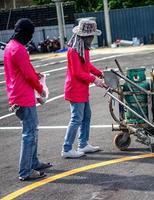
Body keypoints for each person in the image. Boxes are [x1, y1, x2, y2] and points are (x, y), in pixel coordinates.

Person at [4, 18, 52, 181]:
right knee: (29, 134)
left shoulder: (11, 46)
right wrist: (41, 90)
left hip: (16, 95)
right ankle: (25, 171)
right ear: (25, 34)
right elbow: (28, 75)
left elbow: (25, 69)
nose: (31, 38)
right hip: (23, 97)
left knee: (32, 131)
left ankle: (34, 162)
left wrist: (35, 74)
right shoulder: (19, 50)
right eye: (30, 34)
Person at [61, 19, 106, 158]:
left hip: (82, 89)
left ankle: (83, 144)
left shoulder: (83, 48)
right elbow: (78, 73)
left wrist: (100, 73)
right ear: (84, 36)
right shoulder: (74, 50)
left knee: (86, 116)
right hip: (75, 89)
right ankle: (67, 148)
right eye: (91, 36)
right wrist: (95, 79)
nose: (92, 38)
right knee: (76, 119)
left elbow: (87, 66)